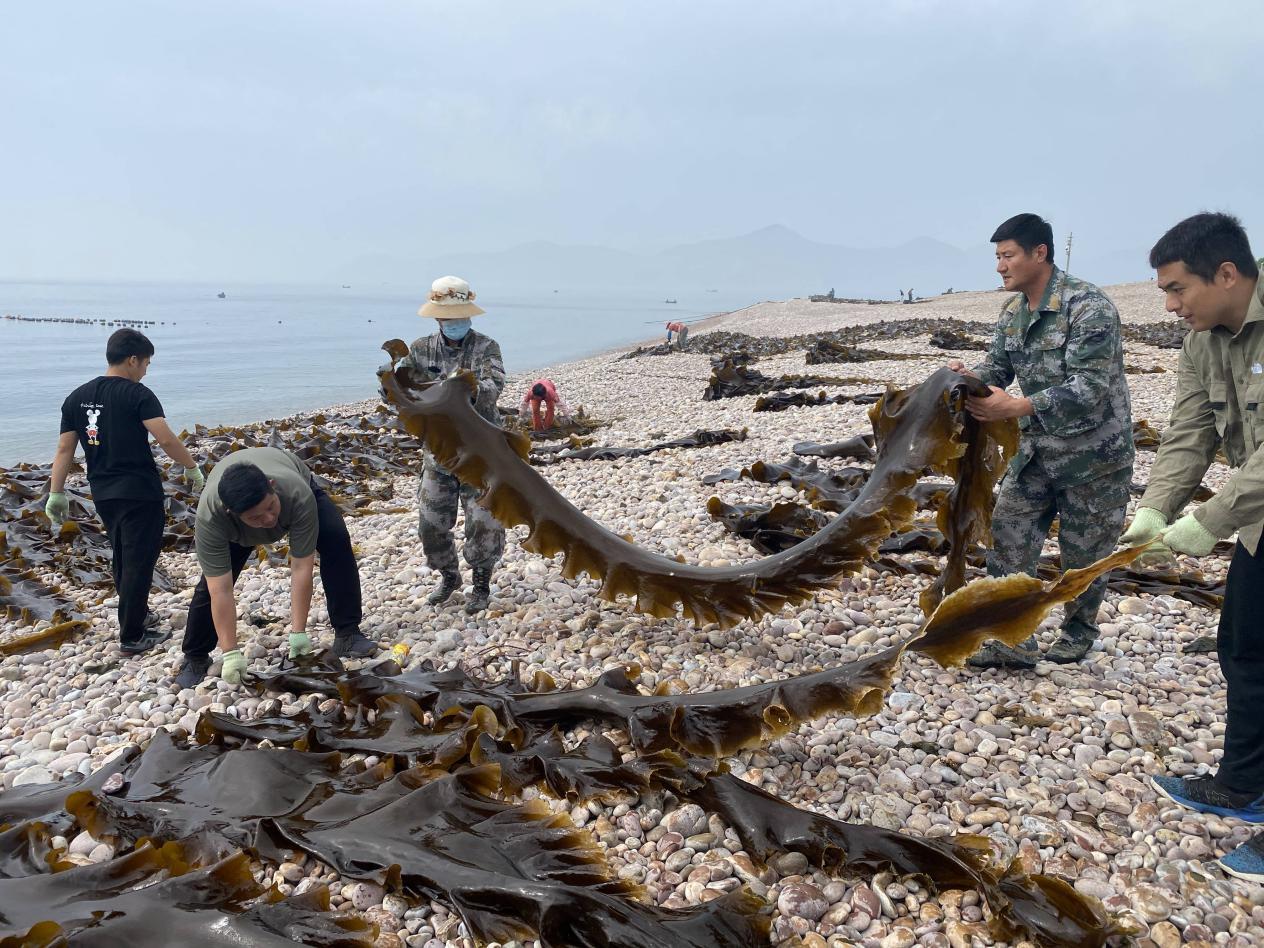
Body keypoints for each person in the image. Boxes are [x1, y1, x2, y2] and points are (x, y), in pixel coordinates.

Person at [1123, 213, 1264, 883]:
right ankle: (1241, 785)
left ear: (1228, 274)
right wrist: (1156, 509)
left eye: (1178, 290)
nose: (1172, 306)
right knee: (1243, 650)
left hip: (1252, 505)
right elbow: (1190, 432)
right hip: (1262, 524)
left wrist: (1210, 520)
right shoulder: (1204, 343)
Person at [949, 213, 1134, 668]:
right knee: (1010, 535)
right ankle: (1015, 637)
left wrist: (1015, 407)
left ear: (1040, 254)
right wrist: (966, 380)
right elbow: (998, 370)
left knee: (1084, 553)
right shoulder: (1013, 312)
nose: (999, 266)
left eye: (1007, 255)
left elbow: (1089, 387)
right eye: (997, 257)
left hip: (1095, 456)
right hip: (1035, 453)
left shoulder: (1088, 307)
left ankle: (1078, 633)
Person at [46, 328, 203, 657]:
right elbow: (165, 439)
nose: (146, 370)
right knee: (138, 560)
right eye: (146, 363)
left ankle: (138, 614)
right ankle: (132, 635)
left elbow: (64, 450)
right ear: (132, 360)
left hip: (103, 493)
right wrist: (191, 467)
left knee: (123, 553)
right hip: (139, 492)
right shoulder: (139, 395)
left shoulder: (76, 397)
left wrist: (55, 493)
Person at [175, 446, 376, 688]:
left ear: (272, 486)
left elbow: (302, 565)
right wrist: (230, 652)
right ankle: (195, 657)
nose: (269, 520)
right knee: (209, 586)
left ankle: (348, 633)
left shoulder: (296, 493)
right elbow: (221, 590)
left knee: (336, 541)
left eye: (270, 507)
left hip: (293, 485)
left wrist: (298, 632)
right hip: (235, 528)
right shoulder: (212, 520)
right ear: (233, 514)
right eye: (256, 518)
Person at [398, 275, 506, 614]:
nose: (456, 322)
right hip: (439, 454)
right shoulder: (419, 349)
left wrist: (463, 388)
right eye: (449, 317)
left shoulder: (486, 347)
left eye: (461, 316)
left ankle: (481, 582)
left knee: (484, 522)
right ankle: (448, 575)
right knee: (431, 525)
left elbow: (494, 385)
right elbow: (404, 386)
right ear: (438, 318)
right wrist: (391, 385)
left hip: (481, 454)